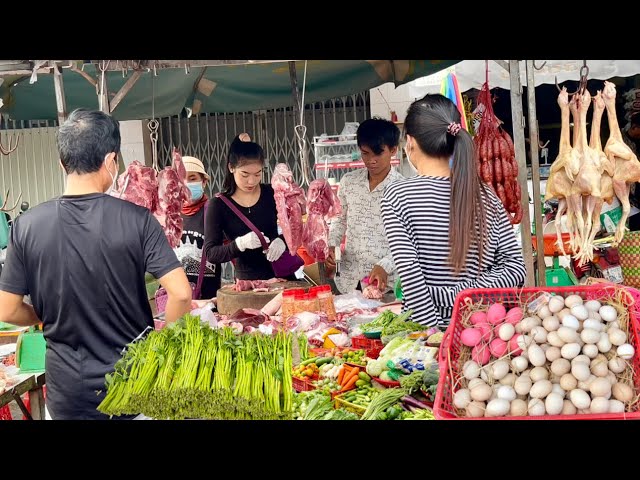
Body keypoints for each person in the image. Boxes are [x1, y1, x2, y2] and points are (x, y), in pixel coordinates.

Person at [0, 108, 193, 419]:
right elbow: (182, 294)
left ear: (63, 162)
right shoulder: (138, 221)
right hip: (132, 387)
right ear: (111, 161)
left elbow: (7, 309)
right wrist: (163, 346)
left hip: (66, 397)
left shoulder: (26, 226)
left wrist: (42, 315)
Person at [381, 94, 526, 327]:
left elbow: (411, 277)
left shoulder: (398, 195)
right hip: (481, 333)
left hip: (424, 342)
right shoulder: (487, 195)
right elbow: (515, 269)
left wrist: (436, 333)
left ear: (410, 142)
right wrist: (464, 294)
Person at [325, 118, 403, 294]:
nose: (371, 160)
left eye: (378, 154)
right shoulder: (349, 182)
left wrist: (385, 265)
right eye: (365, 153)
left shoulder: (403, 188)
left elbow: (410, 239)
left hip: (387, 283)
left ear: (393, 150)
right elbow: (339, 218)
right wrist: (332, 246)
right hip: (349, 279)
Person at [204, 135, 292, 280]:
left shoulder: (273, 193)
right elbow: (211, 253)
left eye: (258, 174)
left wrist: (283, 240)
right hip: (248, 284)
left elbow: (295, 229)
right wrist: (240, 244)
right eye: (245, 174)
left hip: (283, 277)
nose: (251, 181)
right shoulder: (218, 204)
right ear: (231, 168)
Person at [175, 156, 221, 299]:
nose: (186, 183)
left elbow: (232, 251)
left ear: (204, 182)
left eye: (193, 178)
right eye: (181, 179)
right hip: (174, 298)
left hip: (207, 299)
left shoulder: (215, 211)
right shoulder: (169, 213)